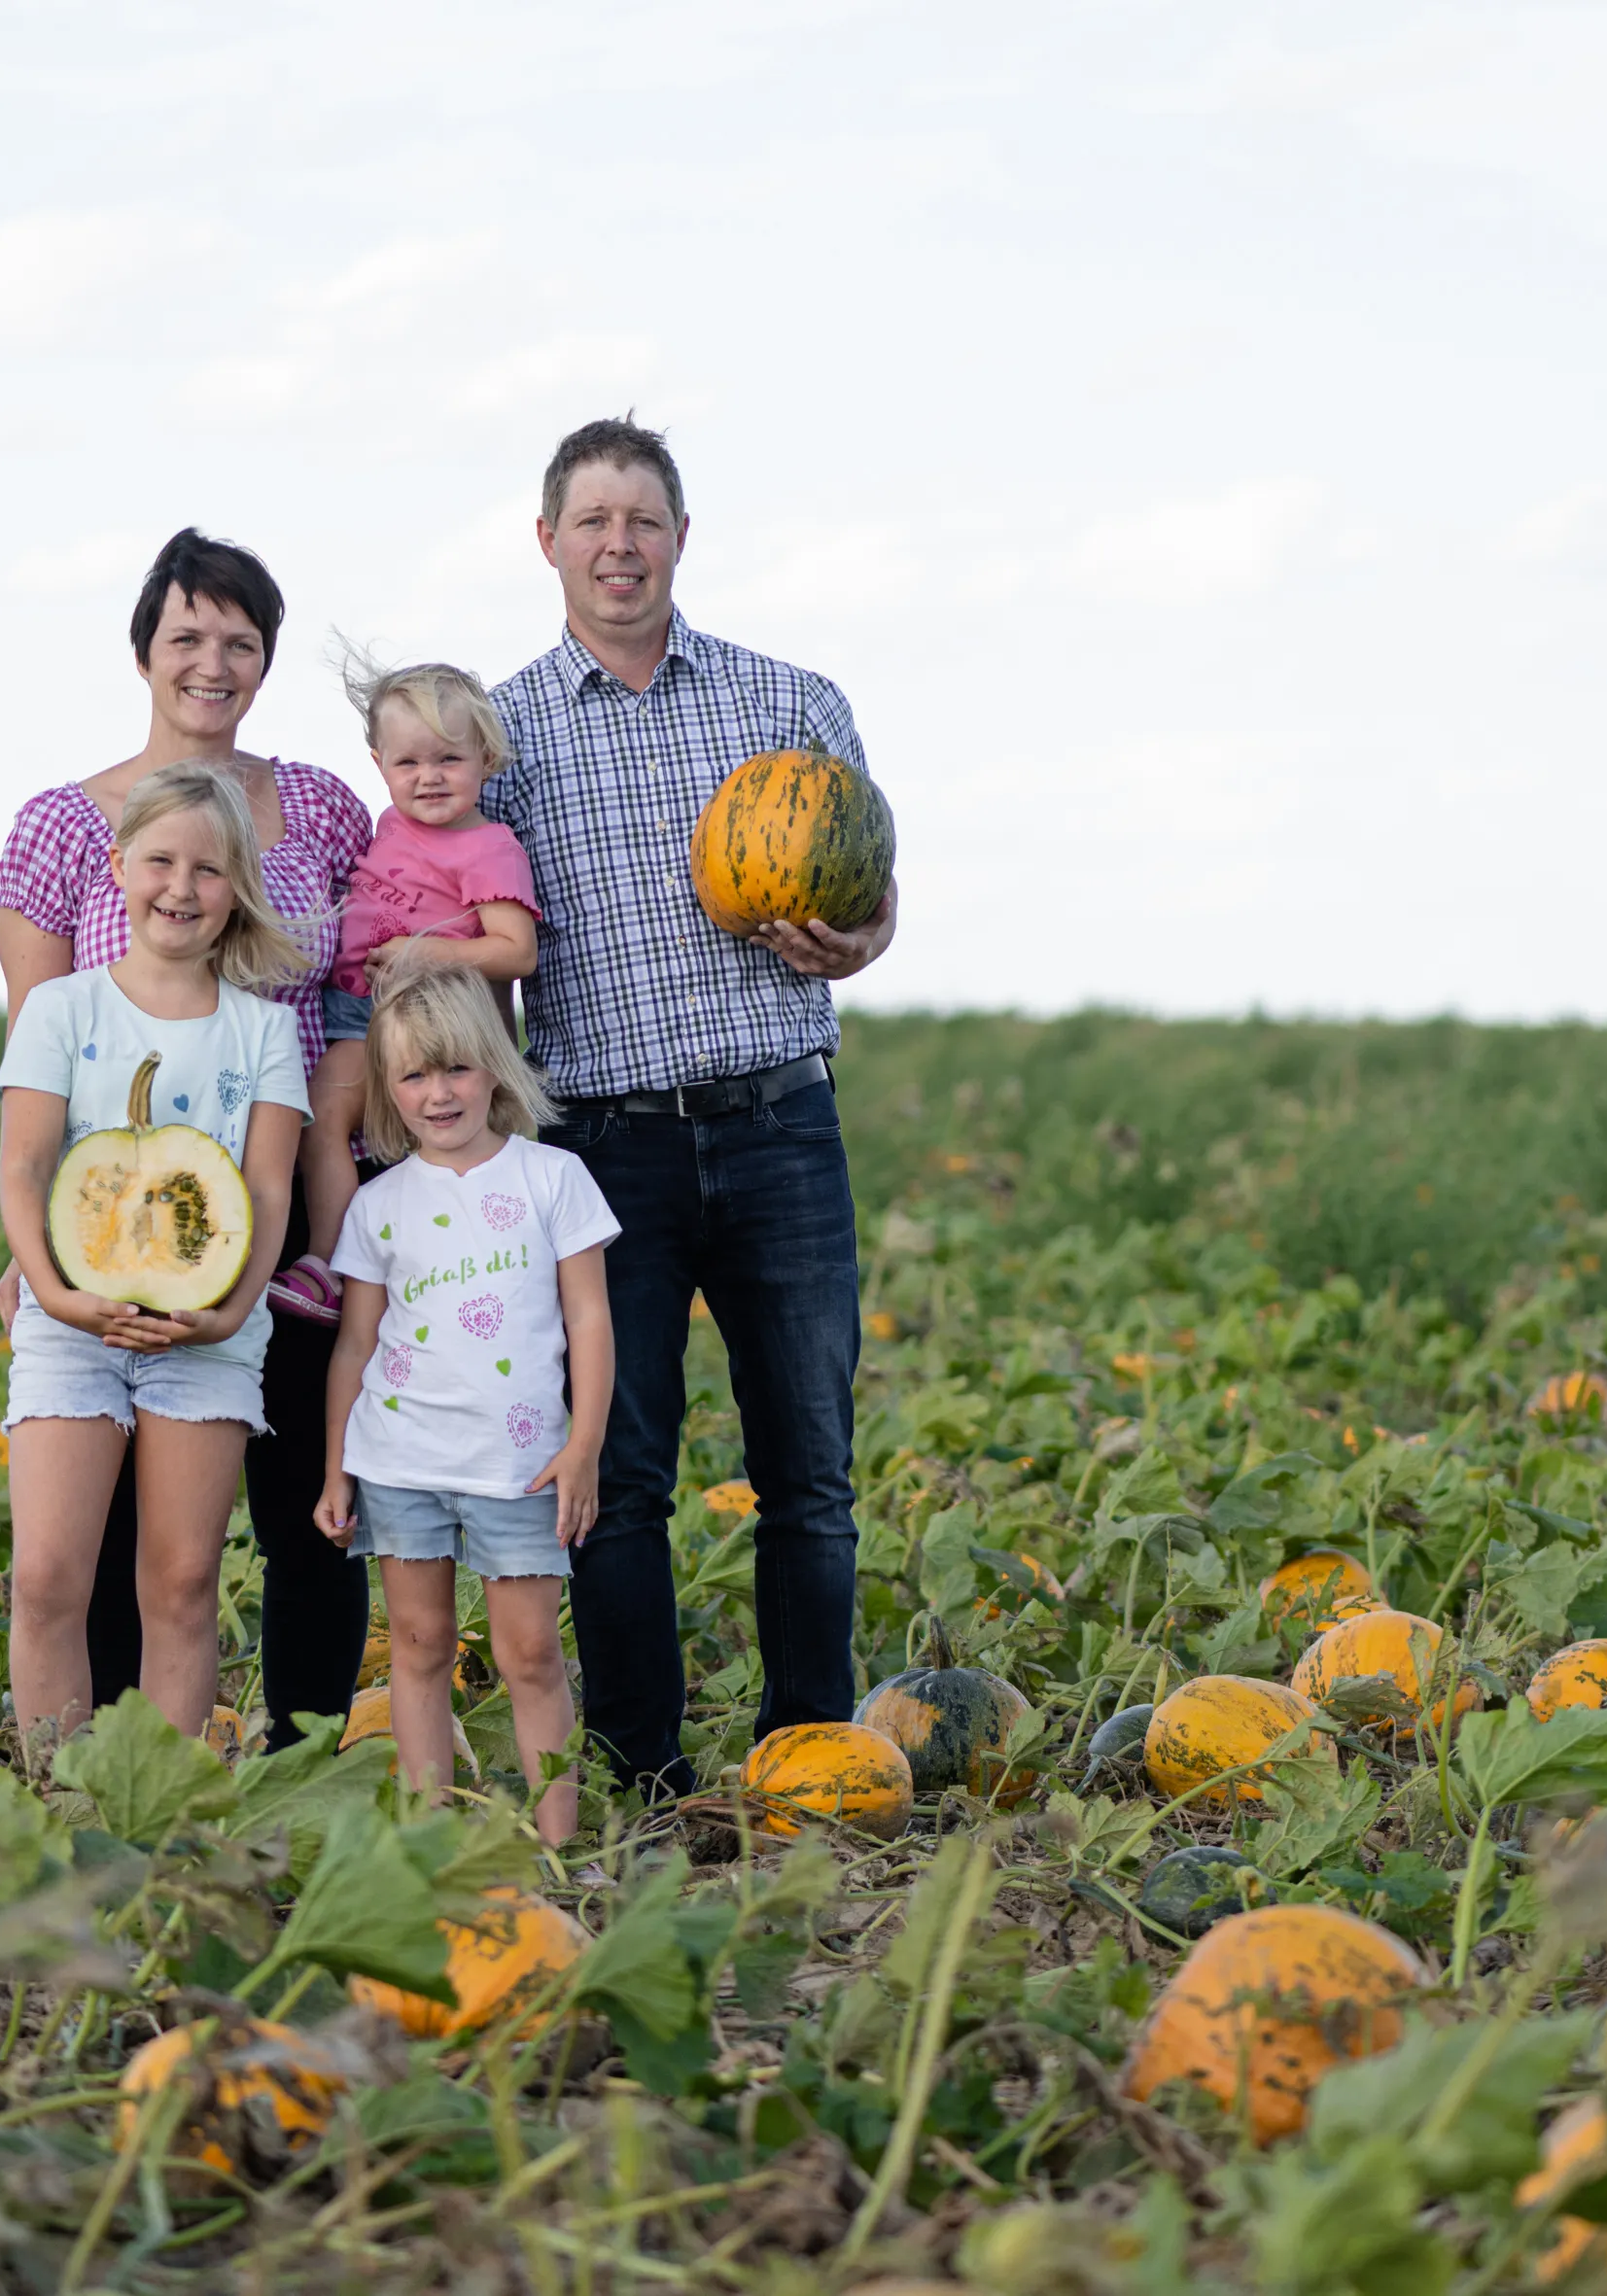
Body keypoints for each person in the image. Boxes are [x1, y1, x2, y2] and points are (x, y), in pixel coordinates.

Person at [485, 416, 898, 1796]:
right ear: (547, 540)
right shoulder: (503, 736)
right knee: (618, 1473)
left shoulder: (789, 700)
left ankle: (808, 1762)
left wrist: (856, 938)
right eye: (592, 520)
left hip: (779, 1121)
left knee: (809, 1470)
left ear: (678, 537)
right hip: (600, 1145)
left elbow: (874, 893)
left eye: (643, 520)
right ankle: (640, 1770)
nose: (619, 545)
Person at [0, 528, 375, 1751]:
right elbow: (38, 1067)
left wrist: (357, 1197)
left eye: (240, 640)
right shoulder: (59, 826)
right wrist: (40, 1257)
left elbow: (363, 989)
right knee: (90, 1555)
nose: (213, 662)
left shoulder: (318, 804)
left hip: (287, 1209)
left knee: (298, 1518)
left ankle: (287, 1762)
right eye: (187, 636)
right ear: (145, 650)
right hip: (106, 1226)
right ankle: (96, 1778)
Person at [0, 763, 308, 1751]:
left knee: (180, 1580)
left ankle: (161, 1818)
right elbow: (26, 1167)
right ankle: (59, 1801)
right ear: (119, 866)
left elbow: (264, 1192)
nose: (182, 886)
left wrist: (228, 1309)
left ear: (237, 888)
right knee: (47, 1575)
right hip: (69, 1325)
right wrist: (53, 1293)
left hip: (207, 1336)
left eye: (209, 870)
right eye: (161, 860)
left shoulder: (264, 1029)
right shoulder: (64, 1010)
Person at [315, 964, 617, 1842]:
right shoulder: (377, 1207)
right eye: (412, 1075)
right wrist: (337, 1466)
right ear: (388, 1090)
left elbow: (589, 1322)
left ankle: (560, 1845)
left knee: (530, 1654)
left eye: (455, 1068)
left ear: (494, 1066)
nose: (437, 1093)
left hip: (520, 1466)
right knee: (417, 1648)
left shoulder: (552, 1179)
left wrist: (584, 1445)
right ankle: (428, 1841)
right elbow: (355, 1347)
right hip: (401, 1461)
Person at [300, 658, 542, 1274]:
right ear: (379, 764)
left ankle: (355, 1266)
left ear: (486, 757)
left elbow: (516, 950)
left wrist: (429, 952)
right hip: (354, 1007)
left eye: (448, 760)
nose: (428, 778)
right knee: (321, 1118)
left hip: (425, 1020)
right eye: (408, 763)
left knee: (416, 1135)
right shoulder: (388, 824)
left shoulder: (488, 847)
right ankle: (330, 1265)